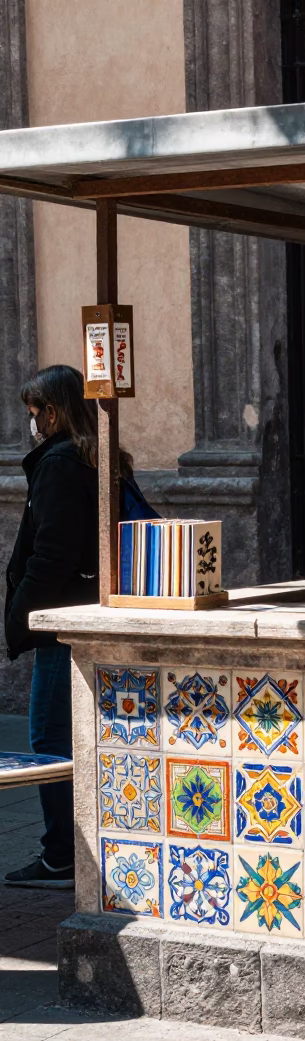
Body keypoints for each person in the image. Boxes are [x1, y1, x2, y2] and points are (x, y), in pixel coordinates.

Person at [2, 365, 145, 889]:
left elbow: (52, 553)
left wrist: (21, 616)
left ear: (55, 412)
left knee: (50, 739)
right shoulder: (100, 456)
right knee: (78, 737)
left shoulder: (62, 462)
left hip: (62, 623)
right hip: (92, 613)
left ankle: (63, 853)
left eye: (36, 413)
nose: (33, 423)